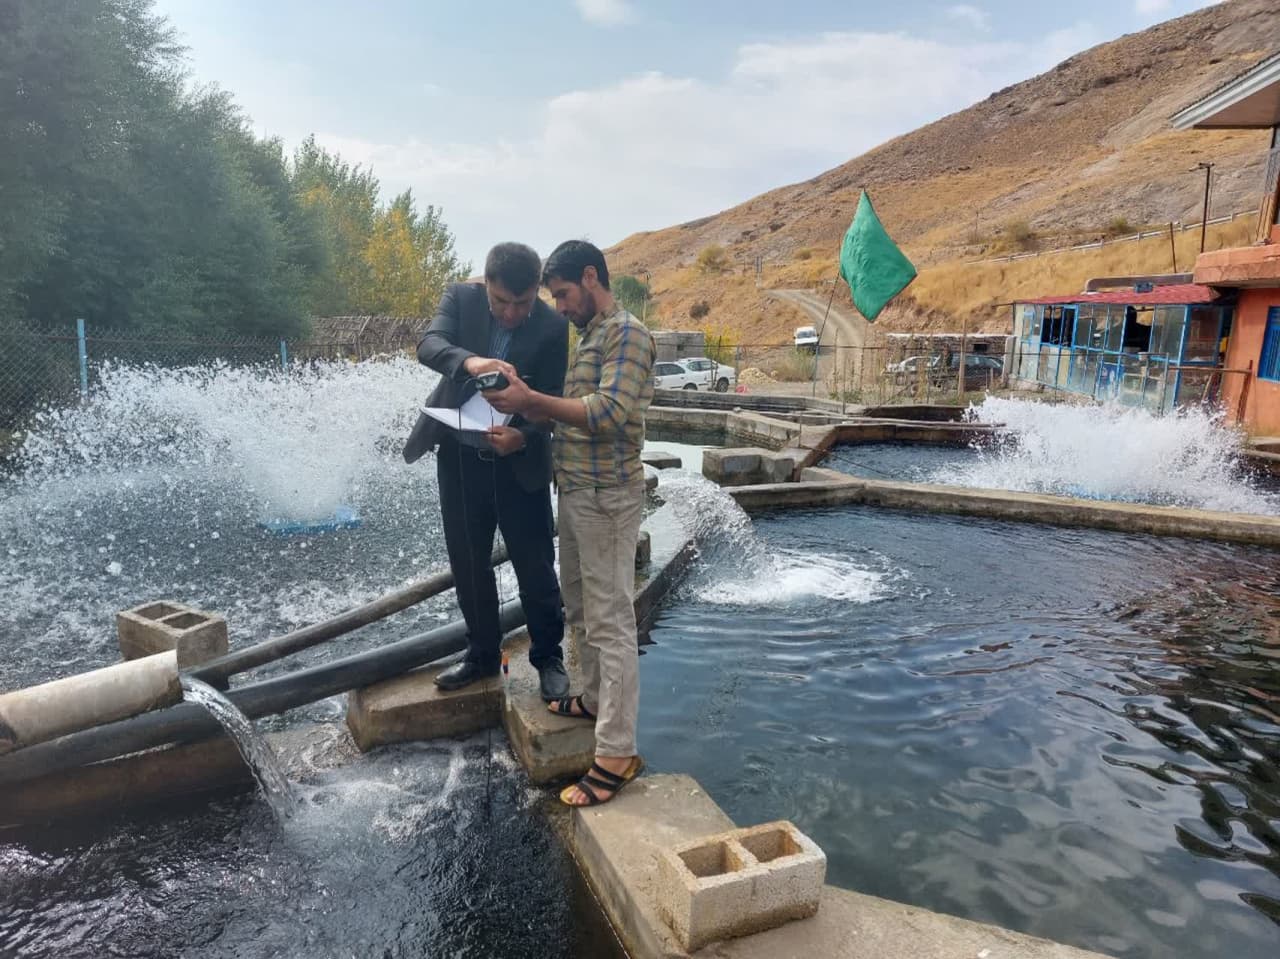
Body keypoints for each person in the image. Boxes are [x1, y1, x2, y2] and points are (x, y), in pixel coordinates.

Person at [486, 240, 656, 806]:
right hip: (578, 492)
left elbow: (608, 413)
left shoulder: (627, 333)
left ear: (590, 277)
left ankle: (617, 752)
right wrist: (525, 420)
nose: (558, 307)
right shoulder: (590, 336)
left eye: (561, 295)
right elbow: (574, 417)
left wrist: (532, 400)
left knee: (611, 622)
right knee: (581, 607)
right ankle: (594, 697)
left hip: (609, 496)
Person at [403, 242, 570, 701]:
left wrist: (524, 436)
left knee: (535, 565)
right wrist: (472, 362)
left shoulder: (553, 326)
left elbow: (552, 400)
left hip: (519, 465)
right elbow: (429, 345)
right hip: (460, 461)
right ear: (486, 283)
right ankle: (480, 655)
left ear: (536, 291)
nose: (511, 313)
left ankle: (548, 658)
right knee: (468, 563)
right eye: (501, 301)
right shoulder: (461, 299)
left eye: (522, 303)